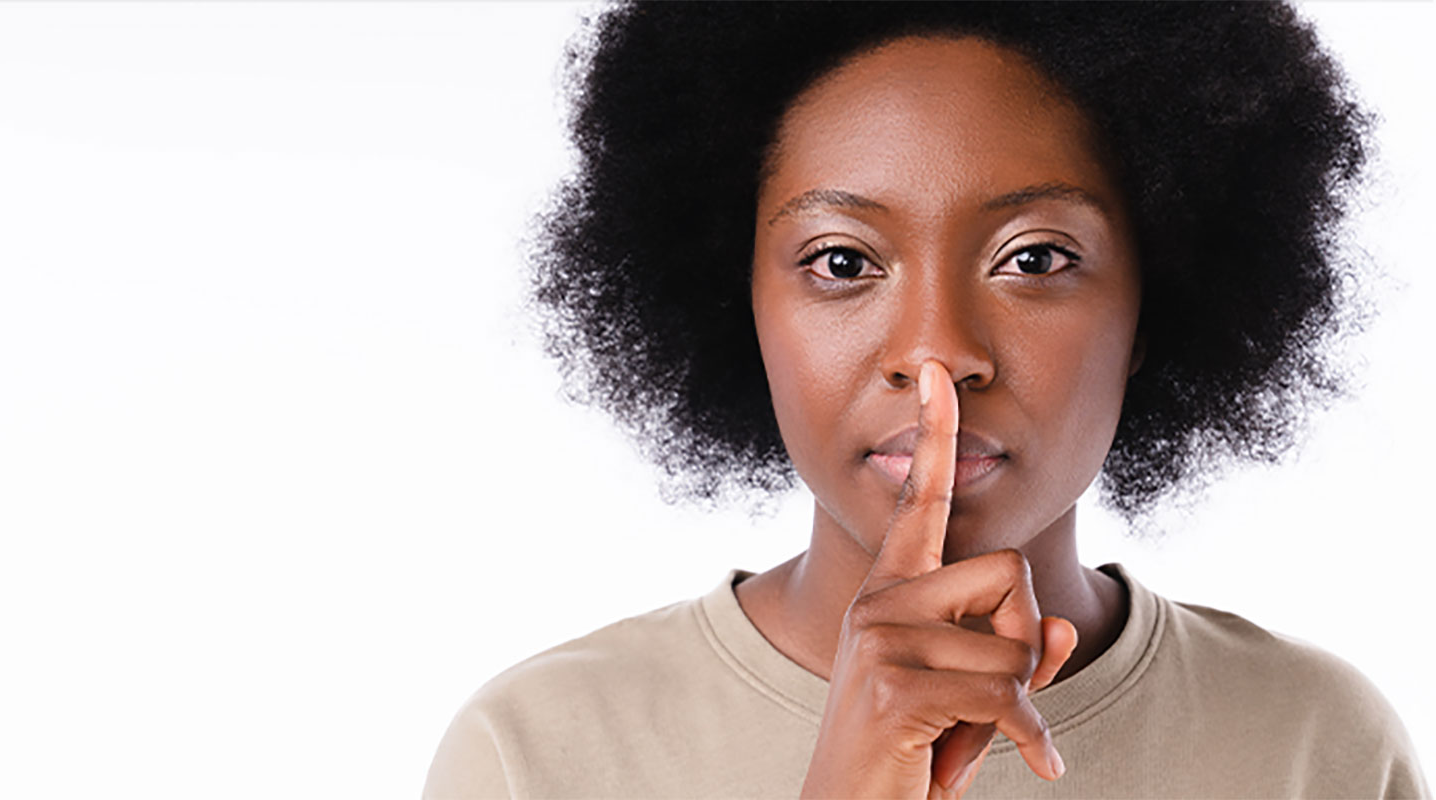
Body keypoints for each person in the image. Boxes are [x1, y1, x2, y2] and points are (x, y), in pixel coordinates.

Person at [425, 3, 1428, 798]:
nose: (939, 350)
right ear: (741, 308)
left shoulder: (1312, 746)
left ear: (1154, 304)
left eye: (1033, 258)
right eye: (842, 260)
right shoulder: (539, 756)